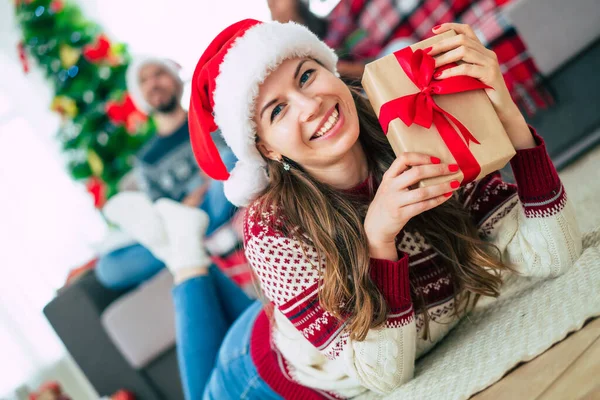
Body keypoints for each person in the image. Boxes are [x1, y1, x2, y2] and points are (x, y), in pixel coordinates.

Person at [111, 19, 582, 399]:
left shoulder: (414, 131)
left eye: (307, 75)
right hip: (265, 376)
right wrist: (379, 241)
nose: (309, 104)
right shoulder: (270, 230)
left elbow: (553, 255)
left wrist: (511, 123)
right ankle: (186, 256)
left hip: (281, 317)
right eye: (277, 111)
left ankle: (183, 251)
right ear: (268, 150)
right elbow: (384, 375)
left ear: (332, 71)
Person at [94, 56, 238, 290]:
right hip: (182, 221)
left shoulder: (206, 118)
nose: (153, 83)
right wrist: (185, 207)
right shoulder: (146, 160)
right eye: (144, 80)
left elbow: (228, 162)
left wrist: (199, 190)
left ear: (175, 79)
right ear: (140, 94)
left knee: (231, 161)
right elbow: (157, 211)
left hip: (216, 200)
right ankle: (201, 240)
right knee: (108, 268)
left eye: (159, 74)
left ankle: (195, 243)